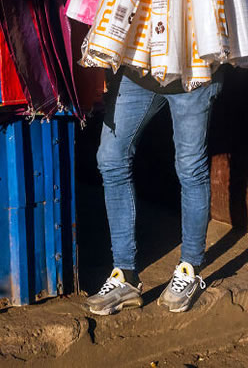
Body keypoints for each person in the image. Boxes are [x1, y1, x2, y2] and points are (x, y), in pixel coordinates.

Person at [84, 66, 223, 316]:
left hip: (193, 73)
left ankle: (189, 268)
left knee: (190, 167)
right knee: (111, 159)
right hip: (140, 71)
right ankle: (124, 274)